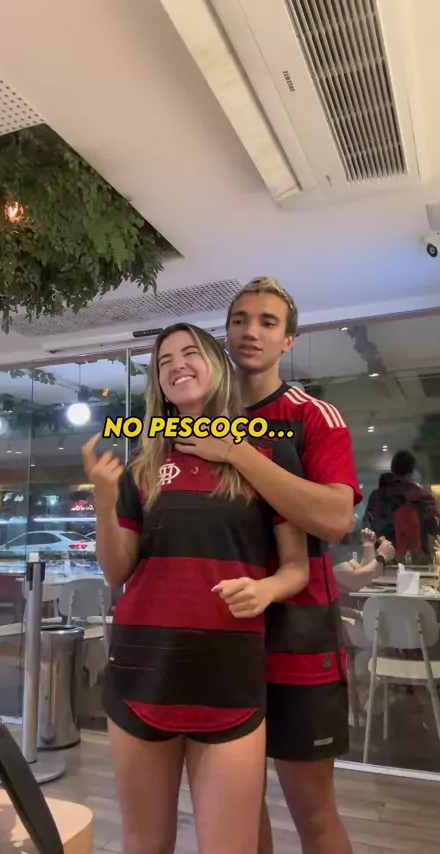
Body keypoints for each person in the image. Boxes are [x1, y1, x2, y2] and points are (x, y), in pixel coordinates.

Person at [83, 322, 309, 854]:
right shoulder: (144, 466)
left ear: (217, 366)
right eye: (164, 361)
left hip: (228, 675)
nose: (176, 365)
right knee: (144, 843)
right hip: (142, 671)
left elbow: (296, 566)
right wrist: (103, 502)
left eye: (189, 353)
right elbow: (117, 572)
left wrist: (267, 590)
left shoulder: (265, 454)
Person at [175, 278, 362, 854]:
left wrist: (238, 452)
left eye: (267, 322)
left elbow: (335, 519)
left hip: (299, 635)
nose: (250, 331)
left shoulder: (313, 416)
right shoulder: (196, 418)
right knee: (237, 808)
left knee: (314, 812)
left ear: (289, 340)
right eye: (239, 320)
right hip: (225, 634)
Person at [364, 450, 438, 558]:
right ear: (412, 470)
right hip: (416, 558)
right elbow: (434, 526)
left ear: (393, 468)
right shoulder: (419, 495)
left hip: (384, 556)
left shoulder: (377, 496)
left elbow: (367, 526)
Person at [331, 518, 395, 595]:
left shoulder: (337, 547)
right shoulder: (329, 547)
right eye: (351, 512)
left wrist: (369, 544)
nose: (355, 516)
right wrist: (382, 556)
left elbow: (365, 576)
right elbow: (355, 581)